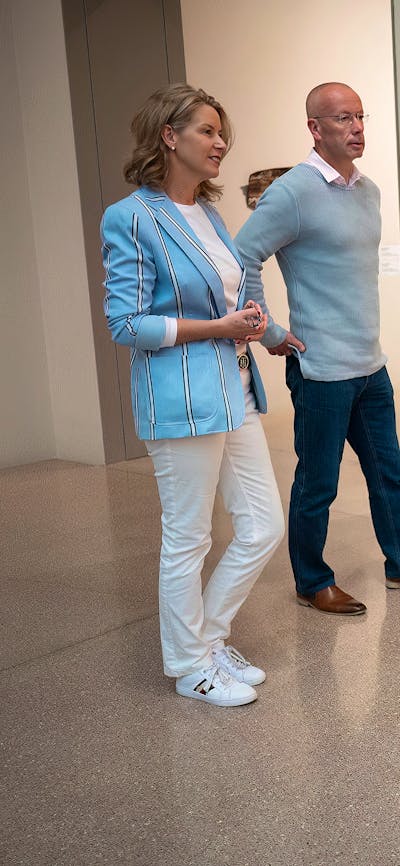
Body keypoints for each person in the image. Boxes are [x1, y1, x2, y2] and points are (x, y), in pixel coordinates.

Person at [101, 84, 284, 706]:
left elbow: (227, 298)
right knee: (189, 536)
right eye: (207, 130)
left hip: (234, 388)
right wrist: (219, 328)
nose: (220, 142)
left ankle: (207, 639)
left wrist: (257, 324)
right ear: (168, 137)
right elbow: (126, 324)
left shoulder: (211, 215)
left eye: (221, 131)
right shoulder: (130, 217)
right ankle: (188, 665)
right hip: (179, 395)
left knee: (262, 525)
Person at [235, 81, 400, 615]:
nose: (356, 128)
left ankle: (398, 562)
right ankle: (311, 579)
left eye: (360, 117)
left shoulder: (368, 190)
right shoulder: (294, 192)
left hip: (369, 365)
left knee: (389, 473)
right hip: (321, 368)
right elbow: (242, 258)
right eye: (342, 118)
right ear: (315, 128)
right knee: (319, 481)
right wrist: (267, 330)